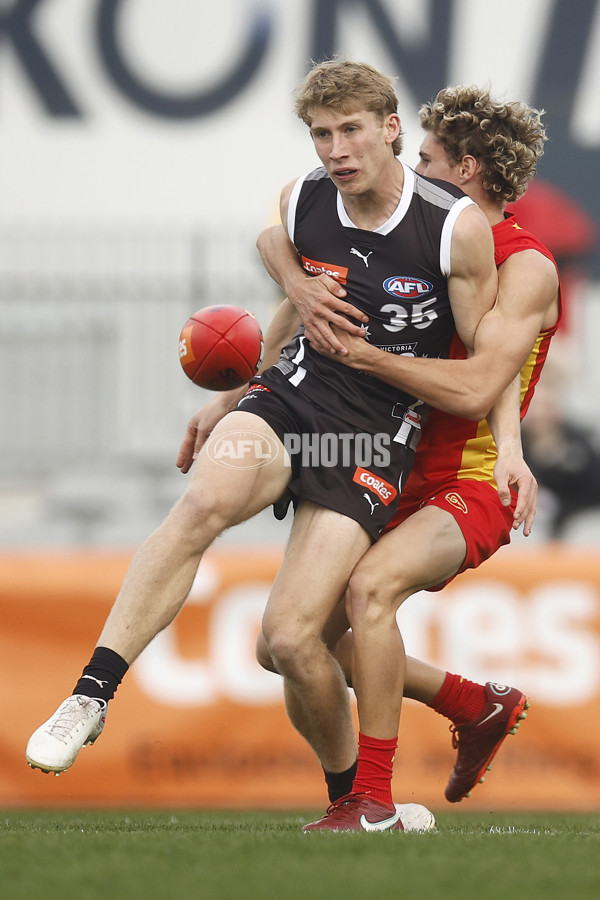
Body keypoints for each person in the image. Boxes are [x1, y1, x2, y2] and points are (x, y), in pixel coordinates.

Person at [25, 60, 499, 834]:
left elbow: (485, 366)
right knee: (203, 502)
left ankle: (355, 802)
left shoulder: (453, 227)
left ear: (390, 129)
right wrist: (231, 394)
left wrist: (505, 445)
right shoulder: (305, 196)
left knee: (288, 640)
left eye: (351, 130)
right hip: (293, 397)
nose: (336, 149)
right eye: (320, 133)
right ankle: (92, 693)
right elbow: (287, 273)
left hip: (375, 434)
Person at [253, 84, 560, 830]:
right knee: (283, 646)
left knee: (371, 590)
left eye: (422, 156)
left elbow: (479, 385)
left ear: (469, 166)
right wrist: (242, 397)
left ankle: (372, 799)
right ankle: (470, 702)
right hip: (389, 465)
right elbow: (293, 289)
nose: (405, 166)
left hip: (471, 479)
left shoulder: (524, 266)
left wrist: (361, 357)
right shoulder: (402, 234)